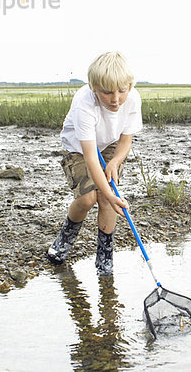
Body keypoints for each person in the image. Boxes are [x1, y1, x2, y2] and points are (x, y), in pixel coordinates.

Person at [47, 51, 143, 275]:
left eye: (122, 90)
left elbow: (126, 140)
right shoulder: (84, 104)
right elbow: (90, 156)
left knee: (107, 199)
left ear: (129, 85)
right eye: (107, 92)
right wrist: (110, 194)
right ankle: (65, 240)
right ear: (94, 88)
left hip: (110, 145)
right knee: (88, 198)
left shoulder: (133, 99)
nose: (116, 99)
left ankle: (105, 257)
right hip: (79, 147)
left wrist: (115, 161)